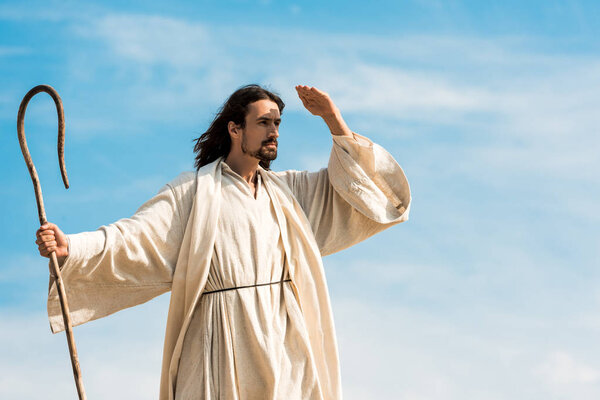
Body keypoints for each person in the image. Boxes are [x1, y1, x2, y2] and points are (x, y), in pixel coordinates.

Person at [36, 84, 411, 400]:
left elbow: (362, 190)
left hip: (284, 337)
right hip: (221, 337)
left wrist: (333, 119)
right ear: (235, 129)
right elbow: (136, 237)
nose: (274, 131)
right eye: (263, 122)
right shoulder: (195, 192)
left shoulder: (292, 192)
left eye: (277, 123)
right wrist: (73, 246)